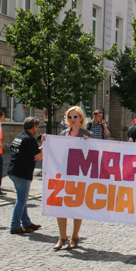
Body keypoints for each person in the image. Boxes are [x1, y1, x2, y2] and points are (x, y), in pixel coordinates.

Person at [51, 106, 92, 250]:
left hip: (79, 175)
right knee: (60, 206)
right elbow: (54, 149)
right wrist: (46, 141)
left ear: (81, 118)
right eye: (70, 117)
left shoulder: (87, 134)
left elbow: (94, 155)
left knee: (76, 206)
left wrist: (89, 143)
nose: (72, 120)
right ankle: (62, 237)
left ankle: (75, 236)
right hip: (63, 174)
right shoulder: (63, 134)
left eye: (75, 117)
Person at [8, 117, 43, 234]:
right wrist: (45, 145)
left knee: (22, 199)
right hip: (22, 173)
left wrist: (41, 147)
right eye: (37, 127)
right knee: (22, 200)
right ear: (34, 127)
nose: (37, 129)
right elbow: (39, 157)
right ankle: (15, 225)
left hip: (13, 170)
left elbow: (33, 152)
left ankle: (26, 222)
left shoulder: (20, 136)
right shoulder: (29, 140)